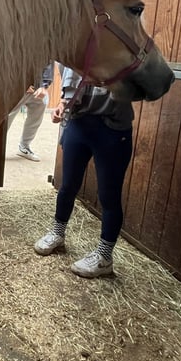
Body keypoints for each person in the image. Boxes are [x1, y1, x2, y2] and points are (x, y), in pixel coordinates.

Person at [33, 65, 134, 278]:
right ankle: (58, 233)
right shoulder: (77, 49)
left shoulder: (115, 49)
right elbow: (73, 82)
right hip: (79, 124)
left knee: (109, 195)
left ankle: (105, 257)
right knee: (67, 186)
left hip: (112, 128)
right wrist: (63, 104)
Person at [7, 62, 54, 162]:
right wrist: (21, 83)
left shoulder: (44, 46)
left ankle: (24, 146)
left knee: (42, 102)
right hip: (15, 84)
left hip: (36, 86)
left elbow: (49, 62)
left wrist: (44, 85)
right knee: (7, 117)